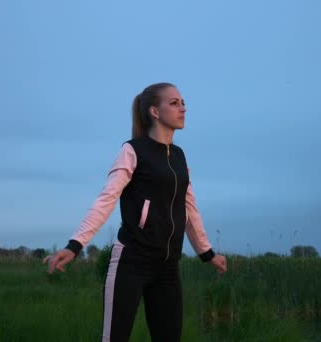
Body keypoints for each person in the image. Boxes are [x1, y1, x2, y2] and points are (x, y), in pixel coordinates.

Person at [45, 82, 227, 342]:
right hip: (131, 263)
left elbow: (190, 208)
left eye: (183, 102)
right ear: (154, 111)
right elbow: (106, 200)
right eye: (174, 103)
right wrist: (75, 245)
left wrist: (207, 253)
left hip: (167, 268)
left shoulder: (179, 157)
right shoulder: (132, 151)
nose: (183, 108)